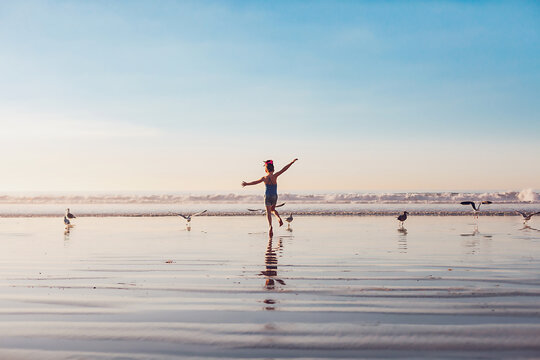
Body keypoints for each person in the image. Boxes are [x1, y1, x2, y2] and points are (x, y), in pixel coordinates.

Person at [242, 158, 298, 236]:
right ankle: (279, 219)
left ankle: (270, 227)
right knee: (273, 210)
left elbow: (255, 182)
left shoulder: (264, 178)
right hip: (274, 196)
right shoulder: (275, 176)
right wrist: (292, 162)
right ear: (273, 169)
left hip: (267, 196)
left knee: (268, 213)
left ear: (266, 170)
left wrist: (246, 184)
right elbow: (284, 169)